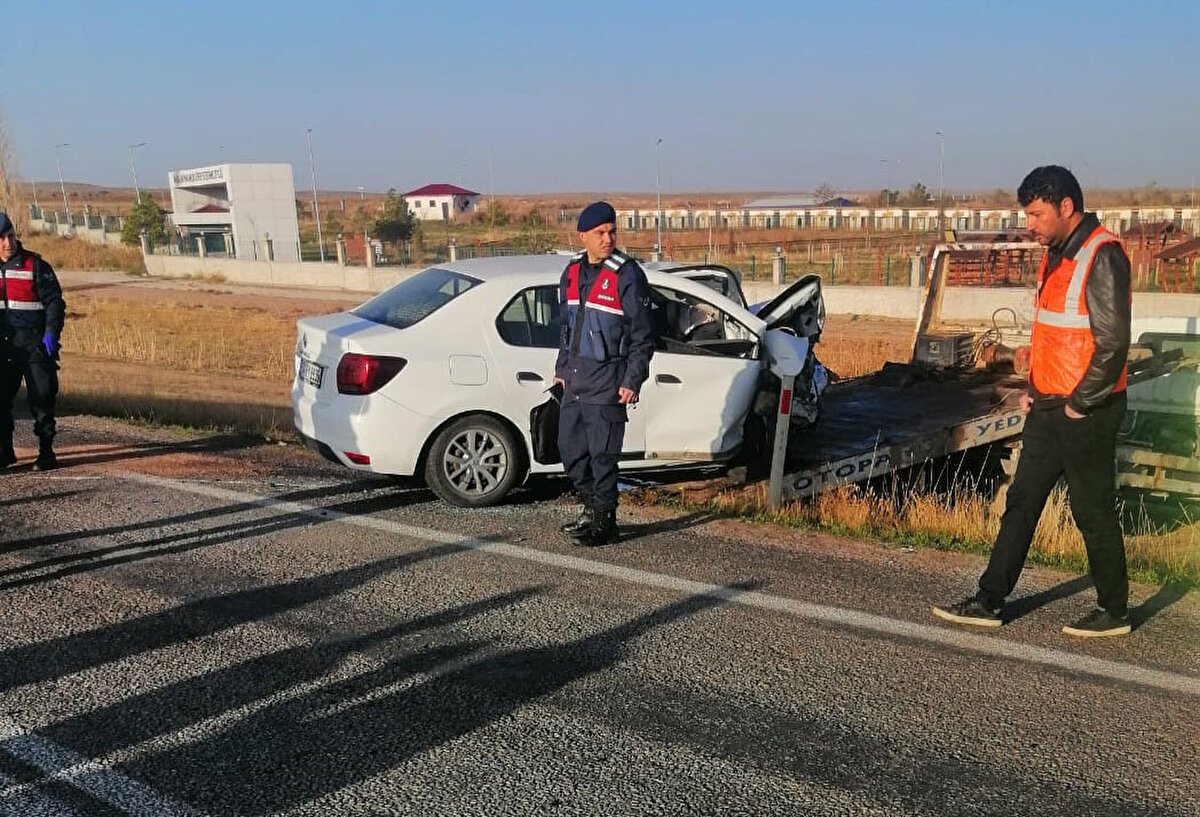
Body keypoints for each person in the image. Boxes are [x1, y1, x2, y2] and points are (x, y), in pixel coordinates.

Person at [933, 166, 1133, 637]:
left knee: (1092, 510)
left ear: (1067, 207)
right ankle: (989, 600)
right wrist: (1035, 387)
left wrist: (1079, 404)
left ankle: (1114, 610)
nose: (1031, 225)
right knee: (1021, 503)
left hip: (1087, 409)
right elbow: (1057, 336)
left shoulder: (1101, 256)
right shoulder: (1056, 255)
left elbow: (1112, 345)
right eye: (1028, 215)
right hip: (1047, 404)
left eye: (1038, 214)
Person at [554, 201, 654, 546]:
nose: (607, 239)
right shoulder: (570, 273)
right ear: (583, 236)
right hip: (576, 382)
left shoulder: (627, 274)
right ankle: (589, 508)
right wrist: (561, 370)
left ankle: (605, 521)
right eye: (600, 233)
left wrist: (632, 379)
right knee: (570, 451)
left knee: (603, 458)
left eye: (612, 232)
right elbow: (566, 330)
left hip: (608, 383)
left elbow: (643, 335)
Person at [0, 212, 66, 470]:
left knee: (42, 399)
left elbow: (54, 304)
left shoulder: (35, 266)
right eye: (2, 238)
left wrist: (51, 334)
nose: (8, 243)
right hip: (5, 348)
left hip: (36, 347)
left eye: (11, 236)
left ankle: (46, 452)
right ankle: (5, 452)